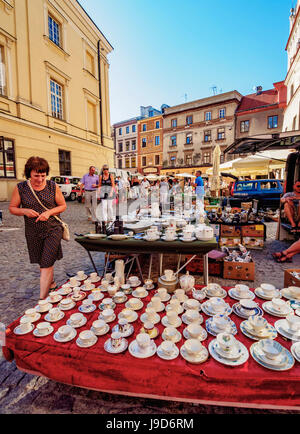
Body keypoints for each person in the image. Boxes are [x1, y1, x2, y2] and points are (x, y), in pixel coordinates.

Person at [9, 156, 67, 300]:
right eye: (36, 175)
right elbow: (12, 208)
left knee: (46, 263)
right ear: (29, 173)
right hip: (33, 232)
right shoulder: (21, 188)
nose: (40, 179)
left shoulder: (53, 186)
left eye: (43, 175)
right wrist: (25, 211)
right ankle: (52, 284)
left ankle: (42, 299)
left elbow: (63, 206)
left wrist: (48, 212)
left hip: (53, 229)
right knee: (42, 261)